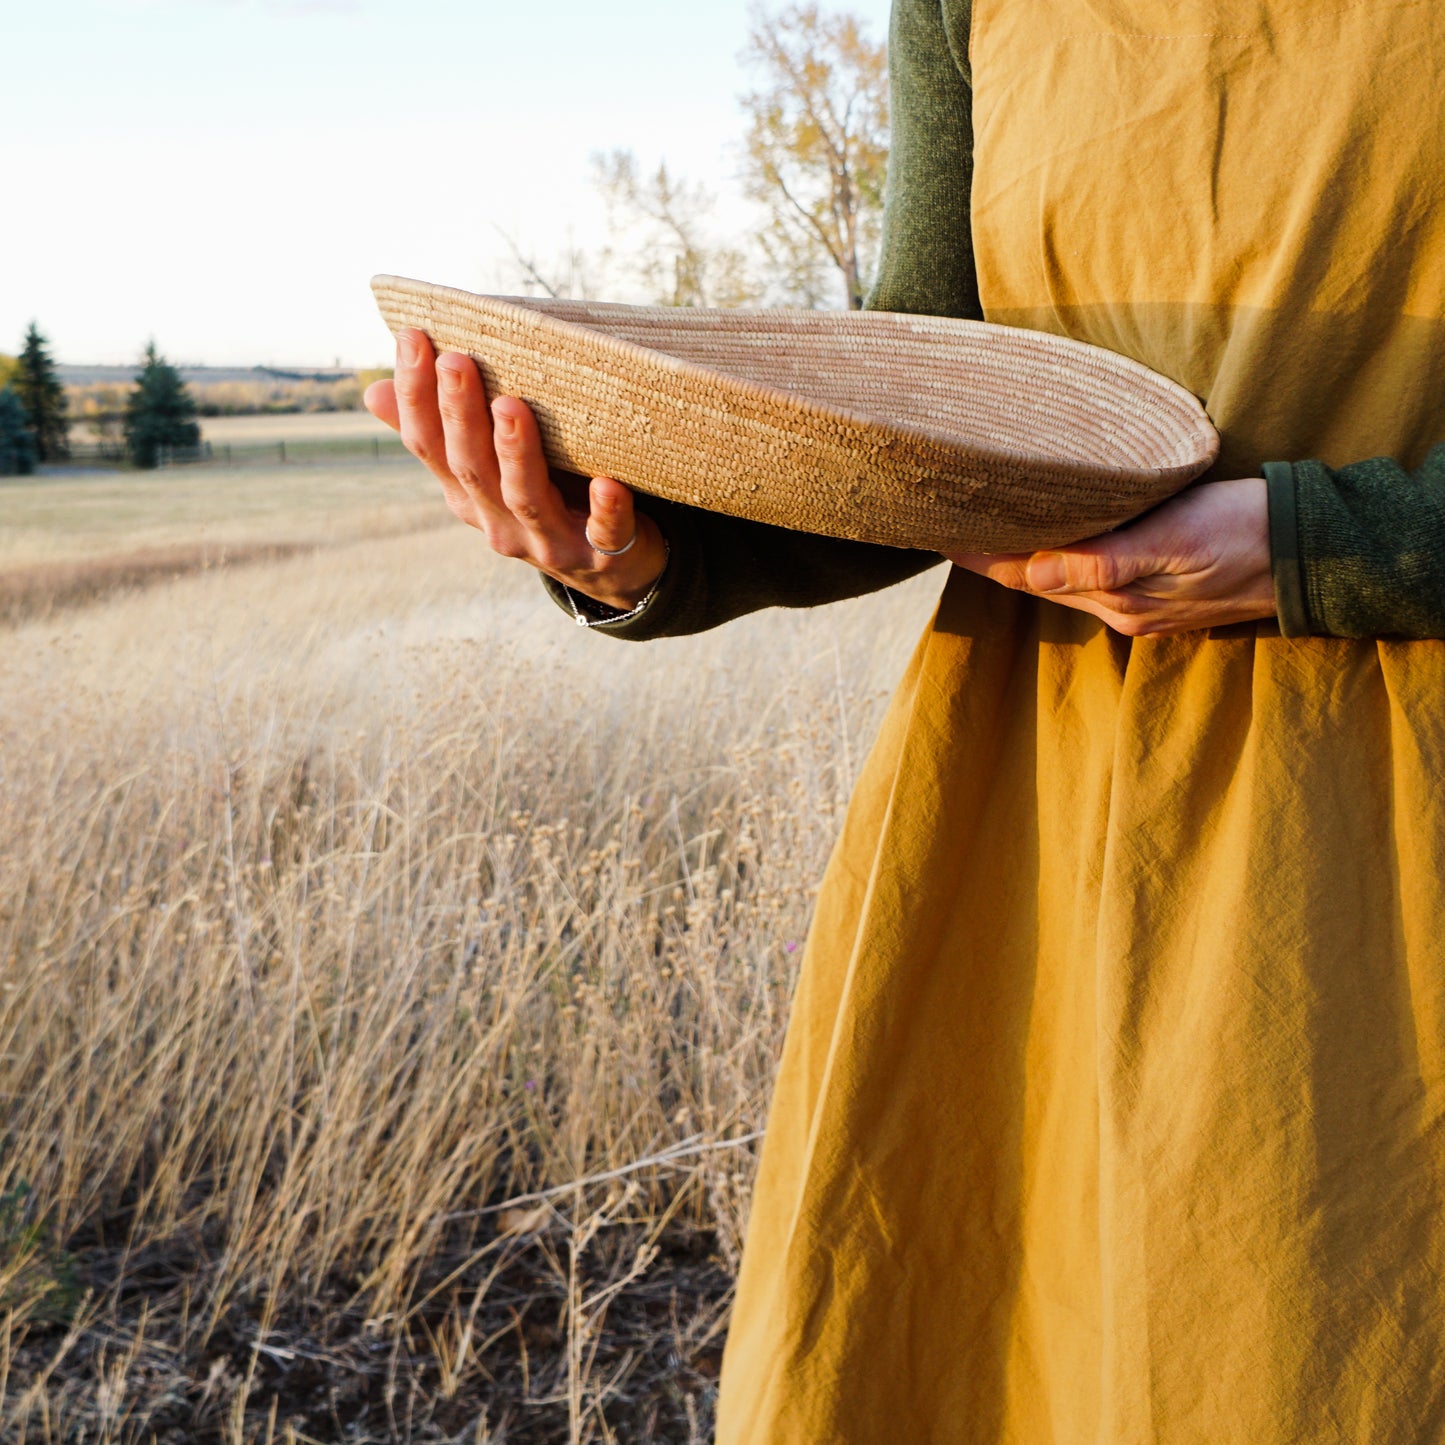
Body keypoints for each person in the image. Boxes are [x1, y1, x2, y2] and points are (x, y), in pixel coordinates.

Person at [366, 0, 1445, 1436]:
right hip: (1042, 796)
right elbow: (926, 421)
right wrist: (636, 552)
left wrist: (1326, 539)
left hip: (1403, 817)